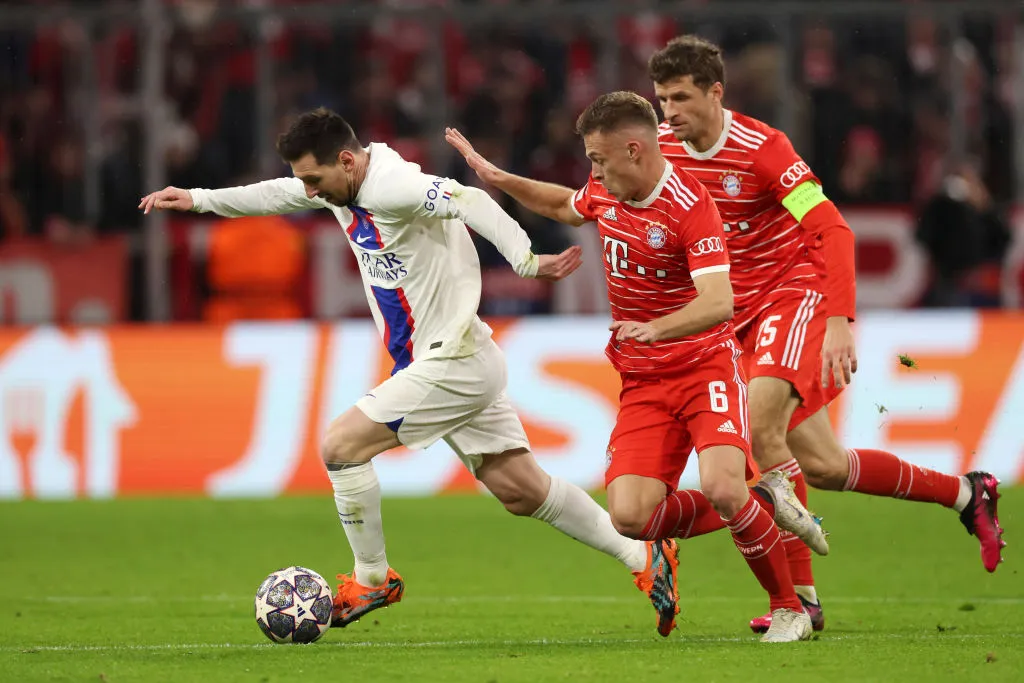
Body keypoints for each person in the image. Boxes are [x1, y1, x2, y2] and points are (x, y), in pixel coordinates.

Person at [450, 35, 1006, 635]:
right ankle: (964, 493)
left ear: (717, 93)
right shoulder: (653, 151)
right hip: (722, 317)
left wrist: (841, 321)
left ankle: (802, 600)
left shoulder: (764, 150)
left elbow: (832, 230)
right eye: (663, 99)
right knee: (820, 464)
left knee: (761, 425)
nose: (671, 113)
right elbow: (574, 204)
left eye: (683, 98)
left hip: (786, 297)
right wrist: (495, 176)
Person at [139, 107, 681, 636]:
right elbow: (275, 193)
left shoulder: (393, 186)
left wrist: (525, 260)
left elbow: (468, 200)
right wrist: (198, 199)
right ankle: (643, 552)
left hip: (455, 361)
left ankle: (373, 578)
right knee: (519, 489)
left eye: (314, 178)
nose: (308, 191)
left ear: (347, 161)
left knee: (341, 445)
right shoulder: (340, 185)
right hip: (452, 358)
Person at [452, 91, 831, 643]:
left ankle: (788, 608)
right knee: (630, 517)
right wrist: (498, 178)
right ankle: (767, 498)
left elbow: (719, 301)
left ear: (635, 150)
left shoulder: (690, 207)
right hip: (644, 382)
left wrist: (658, 326)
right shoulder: (607, 190)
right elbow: (563, 204)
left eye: (599, 159)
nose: (593, 171)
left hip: (705, 370)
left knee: (725, 487)